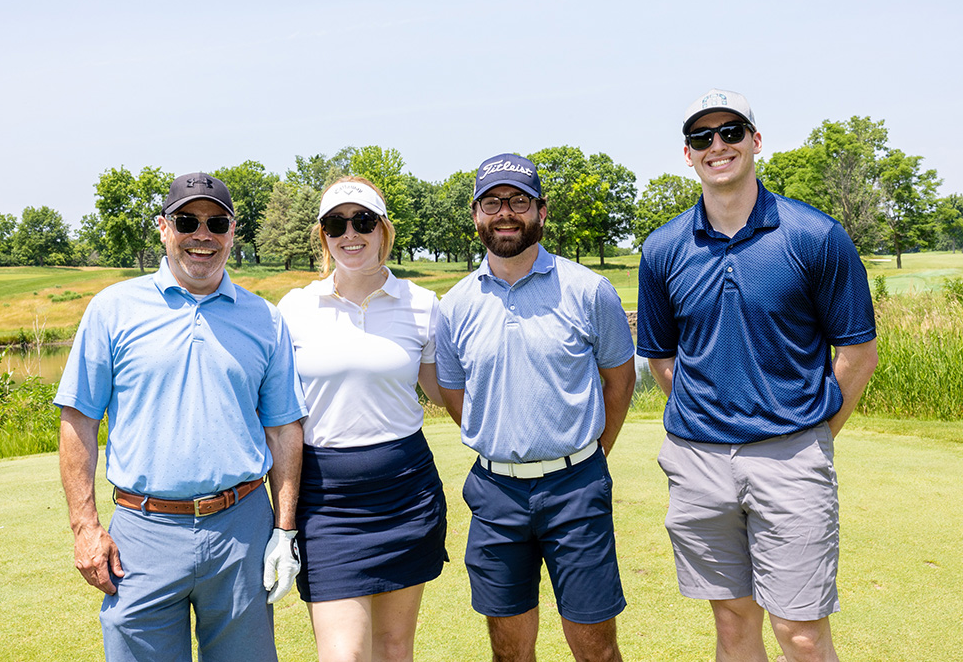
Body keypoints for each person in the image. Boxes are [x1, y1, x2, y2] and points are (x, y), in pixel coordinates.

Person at [637, 89, 879, 662]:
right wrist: (712, 423)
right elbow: (664, 360)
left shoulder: (815, 236)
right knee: (732, 622)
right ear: (688, 155)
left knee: (800, 631)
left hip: (792, 457)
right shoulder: (662, 248)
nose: (717, 145)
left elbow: (858, 354)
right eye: (703, 137)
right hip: (699, 462)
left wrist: (810, 433)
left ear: (755, 141)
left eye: (731, 132)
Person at [56, 172, 307, 662]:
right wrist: (84, 525)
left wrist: (284, 530)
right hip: (142, 531)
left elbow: (282, 430)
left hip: (241, 528)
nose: (203, 235)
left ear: (233, 230)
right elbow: (79, 420)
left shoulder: (266, 318)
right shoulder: (113, 309)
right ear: (164, 227)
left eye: (216, 222)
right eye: (187, 220)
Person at [436, 153, 636, 662]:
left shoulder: (589, 290)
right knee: (509, 651)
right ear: (476, 215)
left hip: (577, 489)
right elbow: (458, 395)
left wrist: (591, 454)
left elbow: (619, 379)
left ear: (541, 212)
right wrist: (501, 440)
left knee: (595, 648)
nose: (506, 213)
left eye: (518, 201)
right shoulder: (454, 305)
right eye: (492, 202)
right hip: (495, 491)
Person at [276, 177, 448, 662]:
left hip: (405, 492)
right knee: (343, 654)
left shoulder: (421, 305)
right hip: (327, 502)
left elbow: (441, 393)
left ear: (383, 230)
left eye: (363, 221)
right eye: (336, 224)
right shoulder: (293, 309)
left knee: (394, 649)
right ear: (324, 236)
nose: (350, 233)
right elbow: (274, 411)